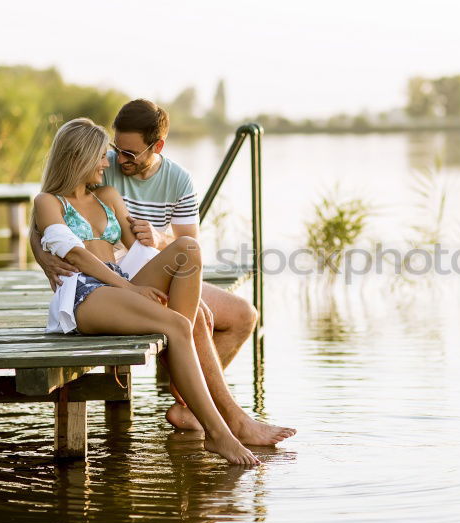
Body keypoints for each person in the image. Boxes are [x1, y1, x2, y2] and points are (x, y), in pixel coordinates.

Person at [30, 102, 295, 446]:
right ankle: (228, 424)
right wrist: (43, 256)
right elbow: (52, 234)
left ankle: (185, 386)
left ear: (156, 148)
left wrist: (158, 241)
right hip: (94, 289)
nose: (113, 160)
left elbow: (162, 247)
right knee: (192, 318)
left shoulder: (159, 182)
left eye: (128, 153)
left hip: (132, 271)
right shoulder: (90, 175)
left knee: (221, 293)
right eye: (111, 151)